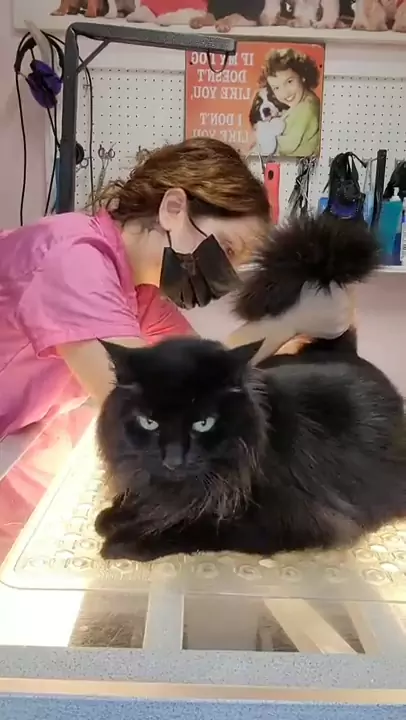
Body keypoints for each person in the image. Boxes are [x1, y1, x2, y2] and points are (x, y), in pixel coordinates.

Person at [0, 137, 271, 559]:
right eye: (228, 250)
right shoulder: (77, 261)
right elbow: (134, 404)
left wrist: (292, 328)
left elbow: (207, 373)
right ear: (173, 208)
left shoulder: (138, 289)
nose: (226, 275)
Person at [259, 48, 321, 158]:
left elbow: (288, 146)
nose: (285, 93)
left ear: (302, 76)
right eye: (276, 88)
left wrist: (265, 139)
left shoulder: (307, 108)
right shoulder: (300, 104)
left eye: (289, 82)